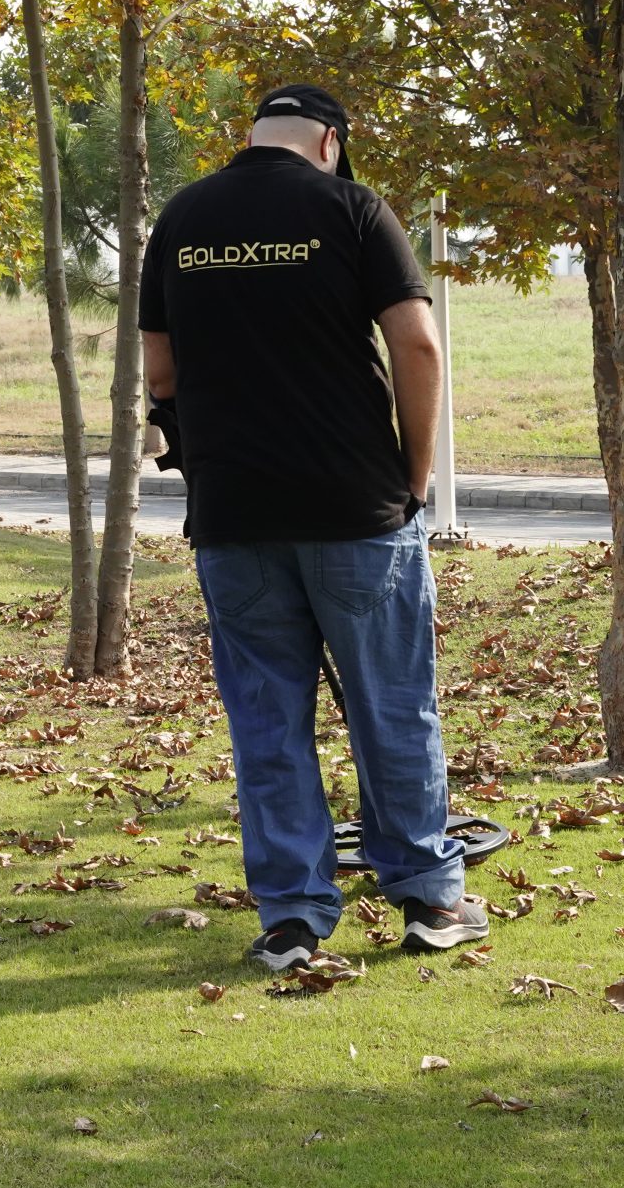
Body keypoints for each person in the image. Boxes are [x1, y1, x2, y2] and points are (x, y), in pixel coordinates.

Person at [138, 83, 487, 972]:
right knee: (393, 709)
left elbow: (161, 371)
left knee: (267, 724)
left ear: (252, 136)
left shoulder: (182, 218)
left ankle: (292, 917)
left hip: (234, 518)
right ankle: (429, 900)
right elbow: (418, 344)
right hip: (355, 510)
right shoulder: (353, 208)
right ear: (330, 143)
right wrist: (413, 476)